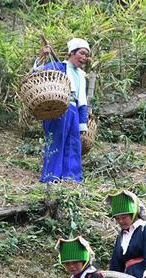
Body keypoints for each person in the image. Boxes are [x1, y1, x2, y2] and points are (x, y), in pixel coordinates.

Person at [34, 38, 90, 183]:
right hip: (58, 109)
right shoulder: (58, 67)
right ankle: (51, 177)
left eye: (86, 55)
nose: (84, 58)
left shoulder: (81, 76)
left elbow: (82, 101)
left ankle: (71, 178)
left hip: (74, 112)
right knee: (56, 141)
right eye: (81, 53)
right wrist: (42, 56)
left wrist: (83, 122)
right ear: (71, 52)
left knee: (73, 144)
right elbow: (36, 74)